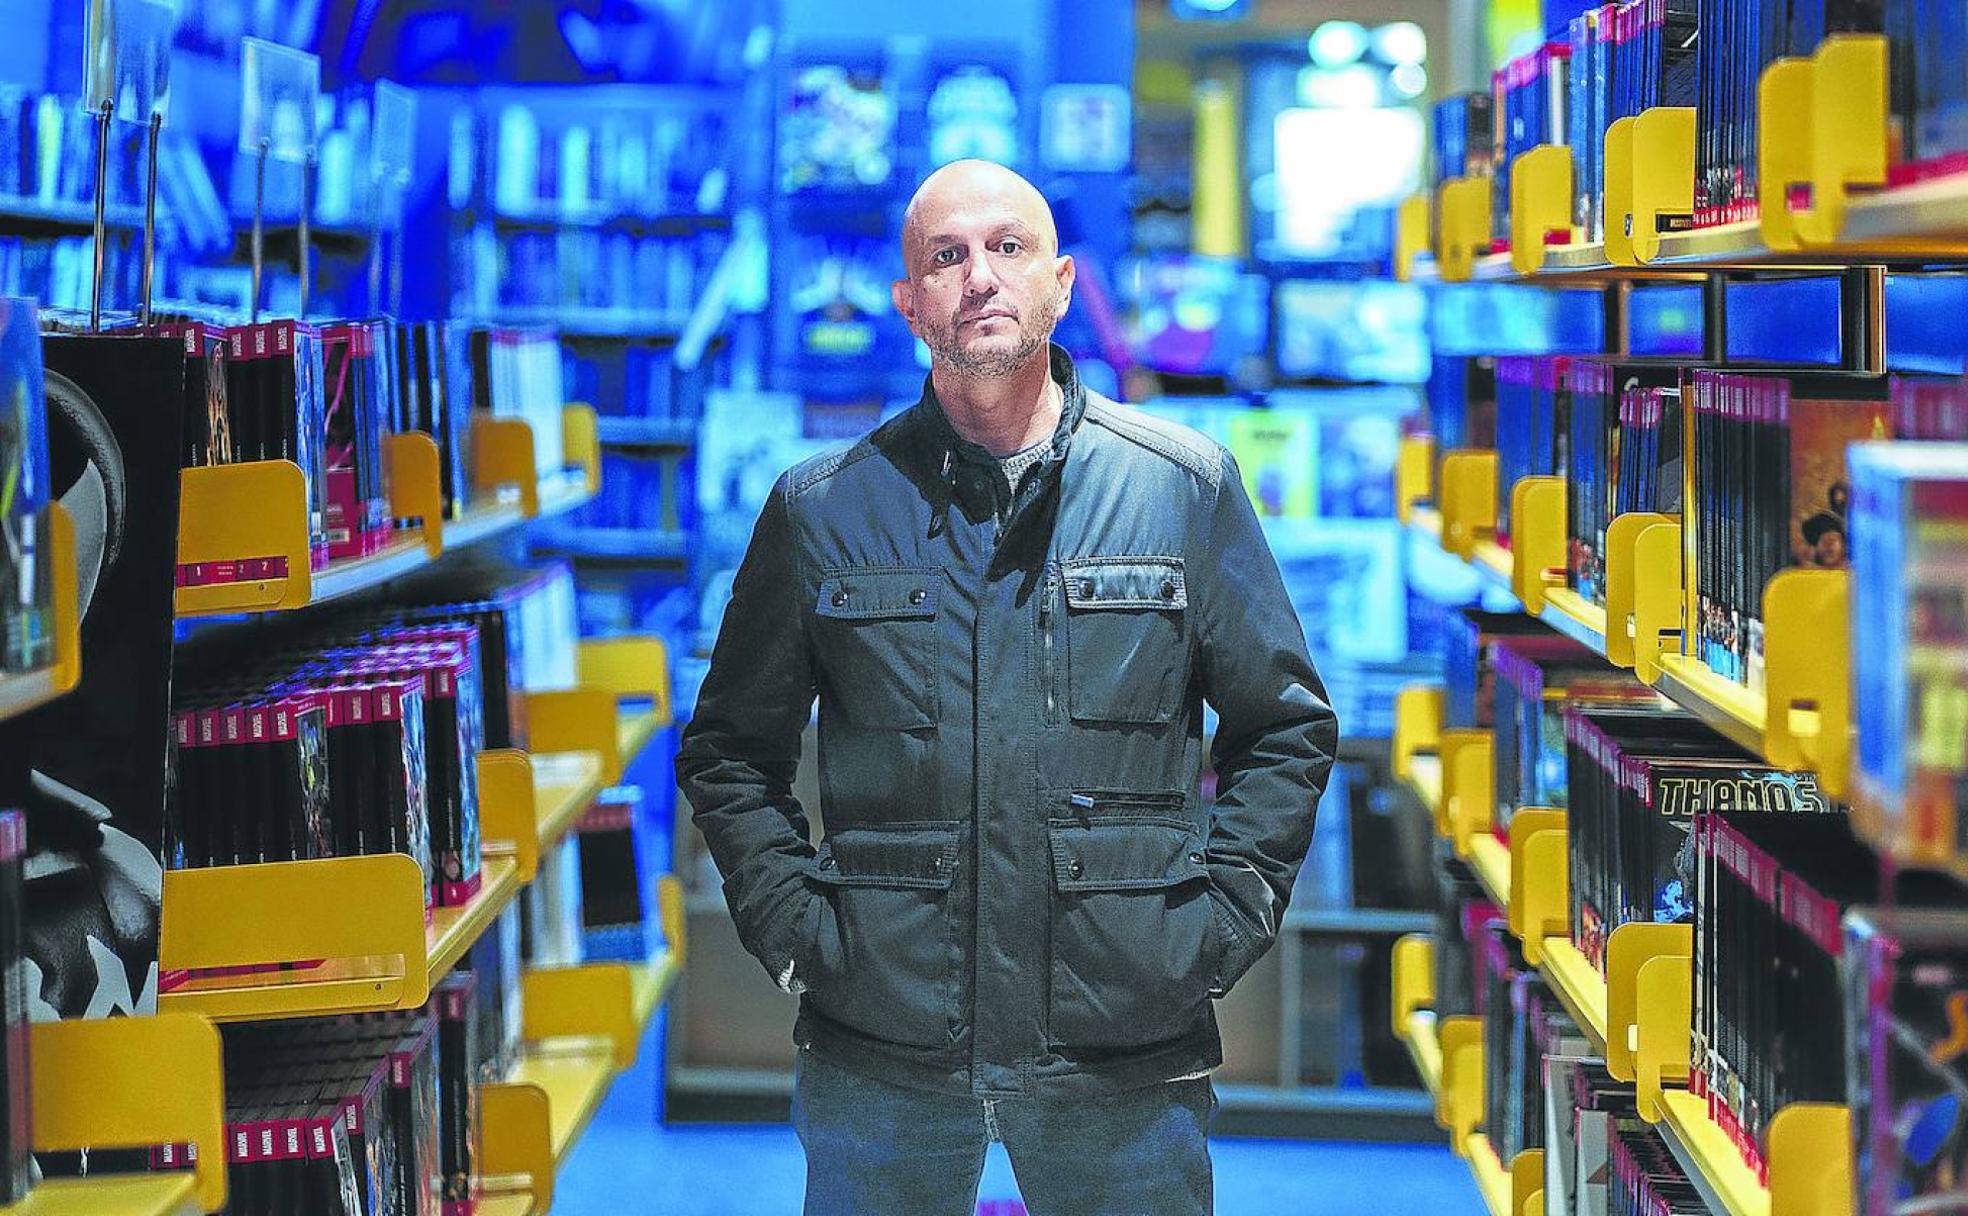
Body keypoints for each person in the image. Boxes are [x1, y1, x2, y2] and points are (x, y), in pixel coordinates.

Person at [677, 159, 1337, 1216]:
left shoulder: (1181, 486)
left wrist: (1215, 925)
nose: (979, 276)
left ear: (1062, 282)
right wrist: (799, 933)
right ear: (909, 302)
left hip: (1120, 1048)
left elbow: (1284, 729)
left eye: (1008, 247)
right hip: (883, 1050)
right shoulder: (822, 510)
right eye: (947, 256)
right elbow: (727, 750)